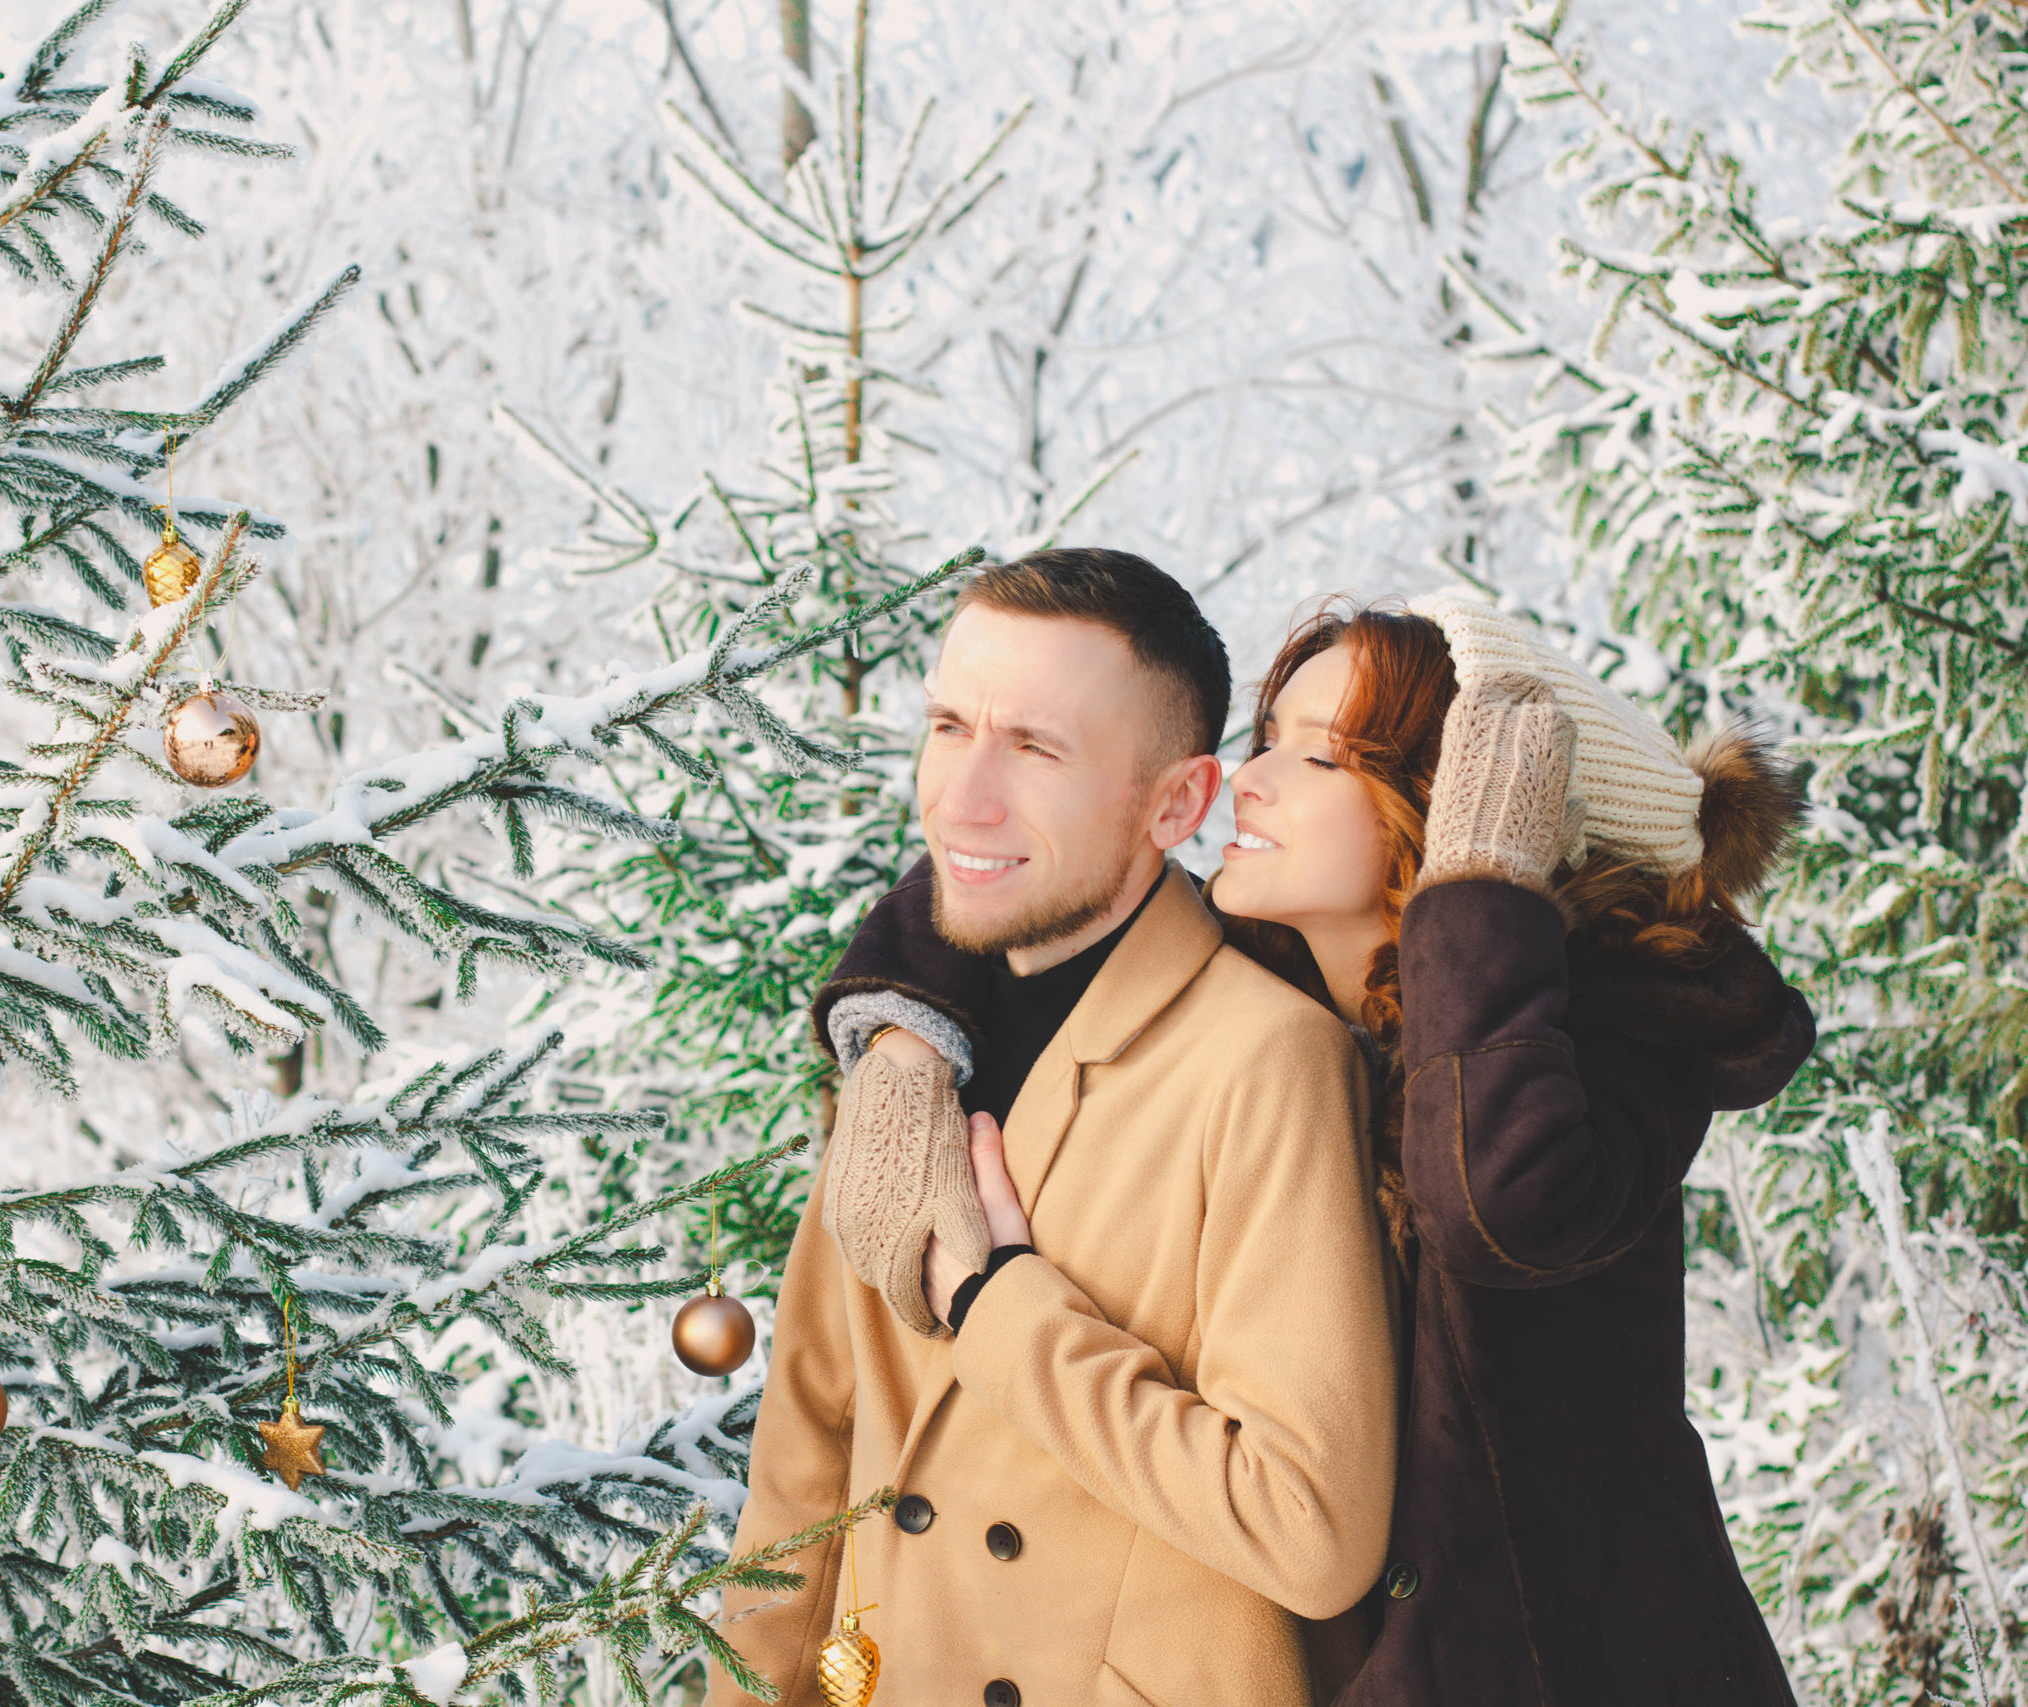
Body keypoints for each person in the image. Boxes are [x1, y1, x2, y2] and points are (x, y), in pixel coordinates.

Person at [827, 590, 1815, 1707]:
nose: (1249, 778)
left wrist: (1481, 885)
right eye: (1268, 740)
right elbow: (1041, 871)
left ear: (1459, 810)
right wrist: (904, 1037)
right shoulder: (1299, 984)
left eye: (1325, 758)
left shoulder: (1607, 1042)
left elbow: (1490, 1207)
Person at [713, 550, 1401, 1707]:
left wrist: (1002, 1304)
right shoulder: (904, 1053)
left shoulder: (1267, 1060)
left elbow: (1311, 1527)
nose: (960, 798)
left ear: (1176, 803)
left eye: (1034, 749)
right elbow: (803, 1474)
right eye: (948, 726)